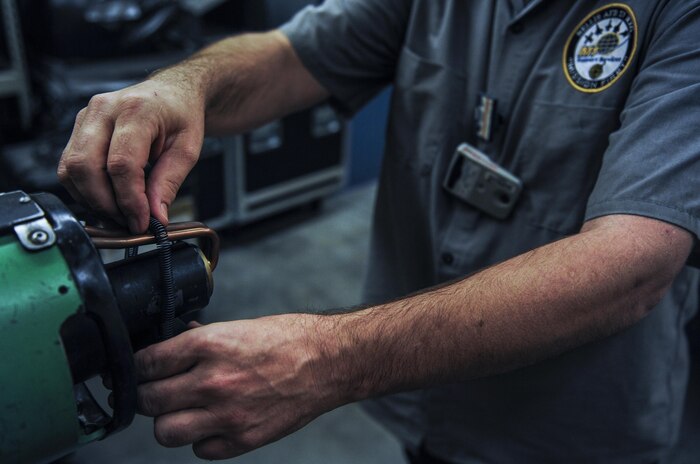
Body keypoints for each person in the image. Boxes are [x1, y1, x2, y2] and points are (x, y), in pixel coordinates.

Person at [58, 1, 700, 462]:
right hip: (423, 396)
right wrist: (179, 88)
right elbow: (291, 55)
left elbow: (634, 260)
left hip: (572, 427)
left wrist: (330, 358)